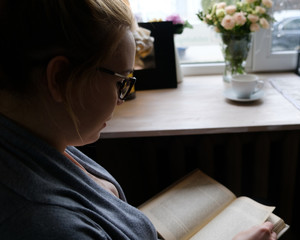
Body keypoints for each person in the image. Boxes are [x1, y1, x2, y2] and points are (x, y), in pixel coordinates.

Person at [0, 1, 277, 239]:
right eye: (121, 81)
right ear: (59, 79)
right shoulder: (46, 225)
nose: (122, 99)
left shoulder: (44, 134)